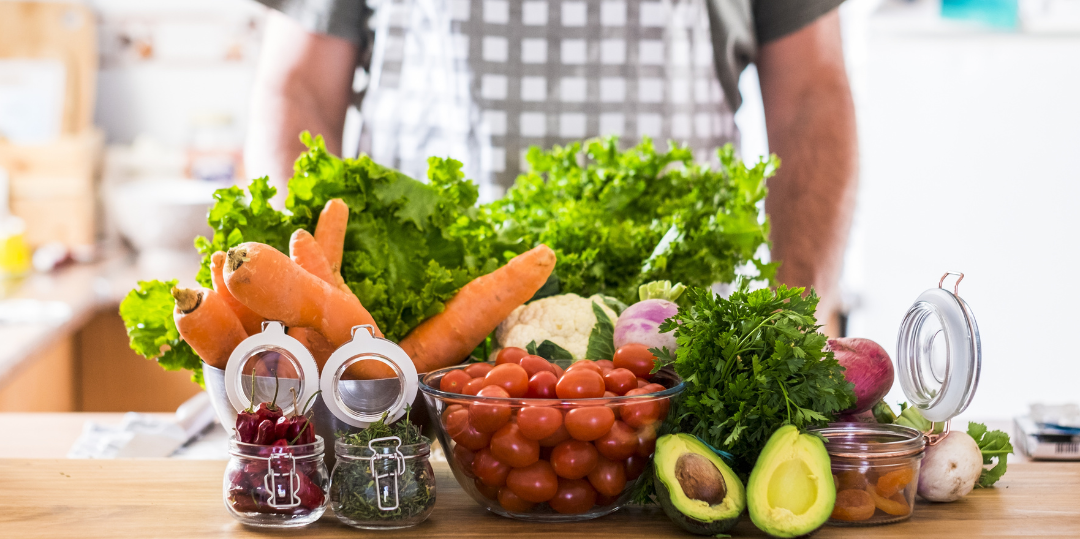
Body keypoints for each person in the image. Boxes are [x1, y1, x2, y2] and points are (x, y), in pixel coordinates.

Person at [245, 0, 857, 330]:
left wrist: (787, 322)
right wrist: (309, 319)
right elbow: (299, 90)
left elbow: (811, 97)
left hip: (674, 352)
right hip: (417, 350)